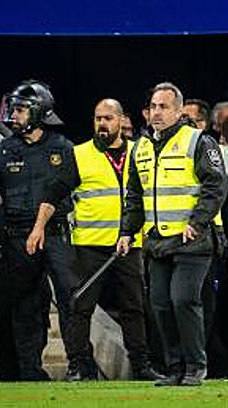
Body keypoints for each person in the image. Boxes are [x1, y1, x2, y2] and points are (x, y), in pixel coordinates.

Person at [0, 81, 85, 381]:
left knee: (72, 299)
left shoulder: (62, 147)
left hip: (54, 233)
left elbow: (59, 192)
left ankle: (81, 365)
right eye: (13, 109)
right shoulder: (2, 151)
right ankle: (29, 370)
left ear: (39, 112)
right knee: (26, 307)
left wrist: (40, 227)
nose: (13, 116)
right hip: (17, 238)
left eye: (20, 110)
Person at [117, 82, 227, 386]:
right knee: (160, 305)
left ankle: (195, 365)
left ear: (179, 111)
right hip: (157, 241)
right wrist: (127, 231)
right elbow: (134, 196)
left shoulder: (198, 142)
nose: (156, 113)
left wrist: (198, 221)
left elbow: (216, 186)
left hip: (191, 239)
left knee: (183, 300)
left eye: (163, 107)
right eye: (153, 106)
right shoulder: (140, 147)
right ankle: (175, 366)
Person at [70, 99, 155, 380]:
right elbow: (58, 197)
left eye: (107, 118)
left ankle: (141, 366)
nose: (102, 124)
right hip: (90, 243)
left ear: (121, 121)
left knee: (134, 307)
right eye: (97, 118)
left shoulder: (141, 152)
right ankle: (80, 365)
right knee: (81, 307)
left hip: (130, 244)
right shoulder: (79, 154)